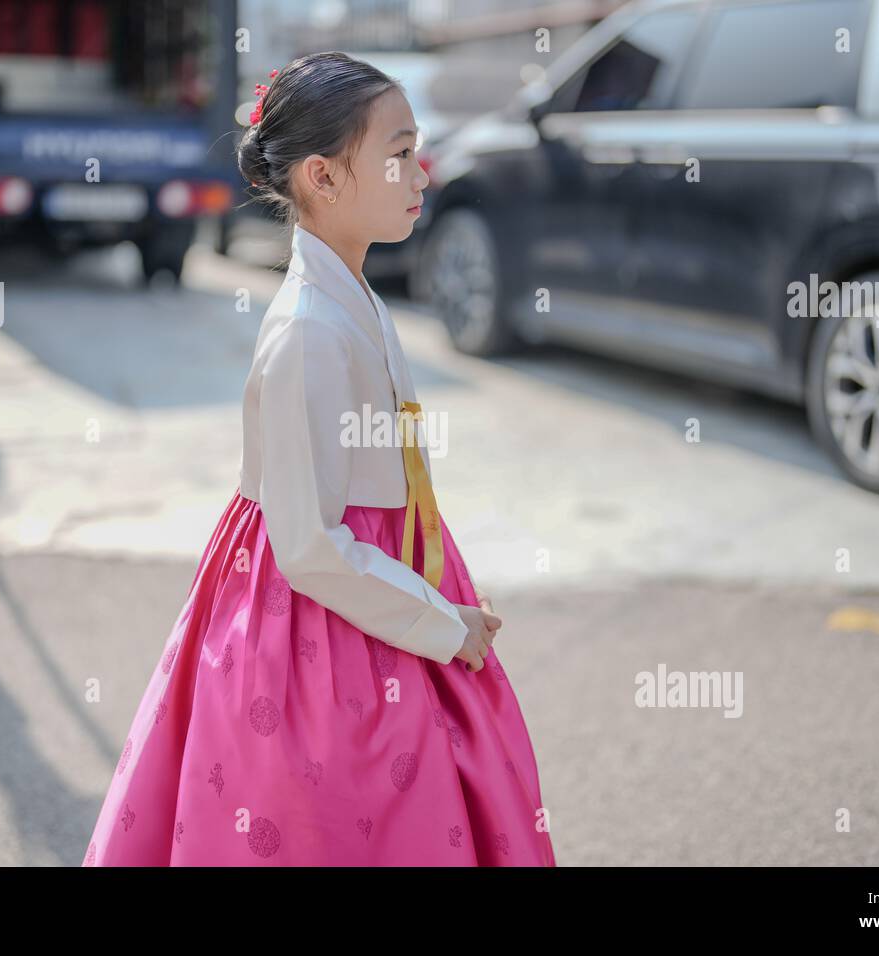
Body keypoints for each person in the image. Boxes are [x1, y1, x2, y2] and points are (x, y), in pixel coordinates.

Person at [82, 51, 556, 866]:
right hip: (322, 617)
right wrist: (440, 624)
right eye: (398, 153)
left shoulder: (353, 296)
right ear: (324, 178)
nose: (421, 172)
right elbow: (307, 547)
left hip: (372, 582)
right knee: (335, 815)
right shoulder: (310, 329)